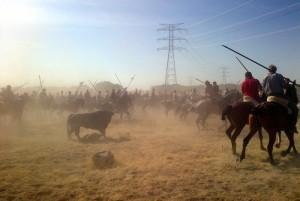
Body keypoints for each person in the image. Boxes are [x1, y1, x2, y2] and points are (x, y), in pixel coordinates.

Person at [262, 64, 298, 133]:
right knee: (294, 107)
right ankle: (292, 126)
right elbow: (285, 86)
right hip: (278, 97)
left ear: (268, 70)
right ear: (275, 70)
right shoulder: (278, 76)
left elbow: (263, 89)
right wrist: (287, 81)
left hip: (268, 98)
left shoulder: (264, 78)